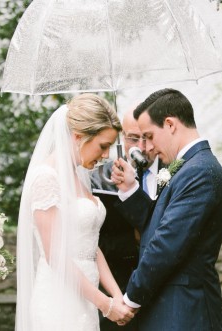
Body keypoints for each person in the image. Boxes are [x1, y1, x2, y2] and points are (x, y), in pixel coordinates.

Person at [111, 88, 222, 330]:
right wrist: (130, 189)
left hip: (184, 312)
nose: (145, 147)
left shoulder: (199, 172)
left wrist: (130, 299)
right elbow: (157, 224)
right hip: (170, 309)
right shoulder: (188, 167)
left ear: (170, 124)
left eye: (149, 136)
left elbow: (165, 244)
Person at [16, 94, 135, 330]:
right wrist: (105, 304)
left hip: (85, 300)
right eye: (103, 146)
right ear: (78, 136)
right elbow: (55, 256)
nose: (105, 156)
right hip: (59, 300)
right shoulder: (46, 178)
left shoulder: (79, 177)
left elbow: (91, 246)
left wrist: (116, 295)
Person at [91, 109, 157, 331]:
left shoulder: (172, 173)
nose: (141, 144)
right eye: (133, 137)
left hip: (161, 292)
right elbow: (92, 242)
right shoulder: (99, 178)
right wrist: (134, 239)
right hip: (117, 287)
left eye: (146, 136)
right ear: (122, 139)